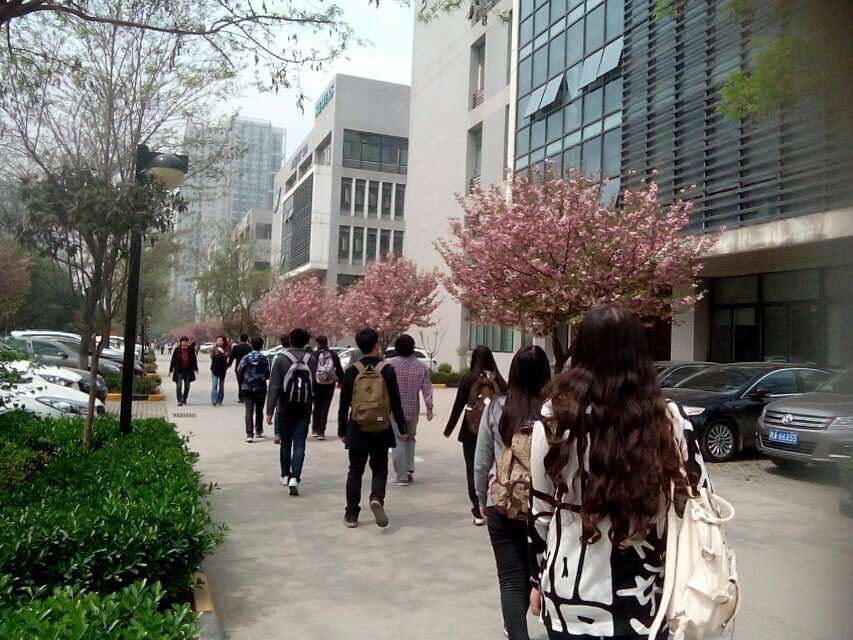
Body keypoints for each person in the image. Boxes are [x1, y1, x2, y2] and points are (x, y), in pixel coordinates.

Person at [528, 304, 712, 640]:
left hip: (569, 596)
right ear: (640, 355)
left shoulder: (554, 419)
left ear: (581, 352)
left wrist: (536, 577)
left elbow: (540, 512)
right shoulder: (669, 419)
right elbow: (699, 501)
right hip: (648, 599)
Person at [474, 345, 551, 640]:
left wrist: (481, 497)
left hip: (503, 502)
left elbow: (482, 460)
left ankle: (517, 633)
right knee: (544, 571)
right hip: (545, 507)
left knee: (510, 578)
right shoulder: (553, 410)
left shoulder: (497, 407)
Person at [338, 328, 408, 529]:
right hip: (381, 427)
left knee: (355, 470)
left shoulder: (352, 371)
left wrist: (342, 430)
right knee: (379, 468)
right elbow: (395, 401)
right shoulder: (387, 370)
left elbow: (344, 404)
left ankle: (351, 513)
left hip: (357, 427)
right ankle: (377, 498)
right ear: (376, 345)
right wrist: (402, 427)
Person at [444, 346, 507, 525]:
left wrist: (449, 429)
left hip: (470, 432)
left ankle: (478, 510)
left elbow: (458, 406)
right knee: (494, 467)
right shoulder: (499, 380)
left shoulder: (468, 379)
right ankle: (495, 503)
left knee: (473, 469)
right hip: (494, 432)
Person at [266, 328, 317, 495]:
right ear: (306, 341)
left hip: (284, 407)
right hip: (304, 407)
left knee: (286, 442)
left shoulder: (281, 359)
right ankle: (295, 477)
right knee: (300, 443)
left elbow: (274, 386)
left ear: (290, 340)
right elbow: (314, 385)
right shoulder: (311, 359)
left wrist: (269, 410)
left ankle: (285, 475)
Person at [386, 333, 434, 485]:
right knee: (410, 438)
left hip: (394, 410)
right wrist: (429, 408)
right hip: (413, 409)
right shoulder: (422, 367)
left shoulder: (390, 365)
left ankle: (401, 476)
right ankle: (408, 470)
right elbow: (427, 389)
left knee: (398, 440)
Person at [237, 337, 270, 443]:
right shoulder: (264, 358)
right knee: (259, 410)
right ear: (262, 345)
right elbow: (268, 373)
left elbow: (240, 371)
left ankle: (249, 434)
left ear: (251, 345)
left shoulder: (246, 358)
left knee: (249, 411)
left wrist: (242, 382)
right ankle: (259, 430)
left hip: (247, 387)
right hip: (260, 387)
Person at [311, 335, 343, 440]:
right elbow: (339, 368)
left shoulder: (314, 355)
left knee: (317, 405)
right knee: (325, 406)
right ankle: (321, 431)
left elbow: (311, 369)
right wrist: (340, 381)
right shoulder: (333, 354)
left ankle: (315, 429)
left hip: (316, 383)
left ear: (317, 343)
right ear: (326, 342)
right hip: (329, 383)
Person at [169, 336, 198, 406]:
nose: (185, 343)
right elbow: (173, 360)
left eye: (186, 342)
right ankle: (179, 400)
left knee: (187, 386)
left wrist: (196, 368)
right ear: (181, 342)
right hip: (179, 370)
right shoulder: (177, 350)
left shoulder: (191, 350)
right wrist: (170, 370)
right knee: (179, 385)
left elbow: (194, 359)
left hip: (188, 370)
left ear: (188, 342)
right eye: (183, 342)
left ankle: (184, 398)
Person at [228, 333, 252, 402]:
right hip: (248, 367)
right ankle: (247, 396)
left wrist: (229, 365)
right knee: (247, 382)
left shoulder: (236, 347)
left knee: (240, 382)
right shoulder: (250, 347)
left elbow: (232, 357)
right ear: (247, 339)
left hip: (239, 366)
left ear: (240, 339)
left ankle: (241, 397)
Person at [209, 335, 229, 407]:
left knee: (221, 386)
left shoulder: (226, 349)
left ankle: (219, 400)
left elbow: (226, 356)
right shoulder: (214, 348)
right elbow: (211, 356)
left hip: (222, 370)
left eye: (220, 340)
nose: (219, 341)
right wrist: (216, 351)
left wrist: (222, 352)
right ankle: (214, 400)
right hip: (214, 369)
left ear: (223, 341)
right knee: (214, 385)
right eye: (218, 340)